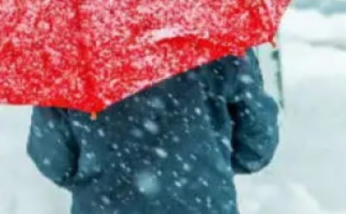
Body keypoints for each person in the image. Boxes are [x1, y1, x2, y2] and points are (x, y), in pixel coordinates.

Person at [26, 50, 279, 214]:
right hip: (202, 204)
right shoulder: (218, 37)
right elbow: (257, 146)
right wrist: (205, 163)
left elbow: (54, 161)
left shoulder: (68, 56)